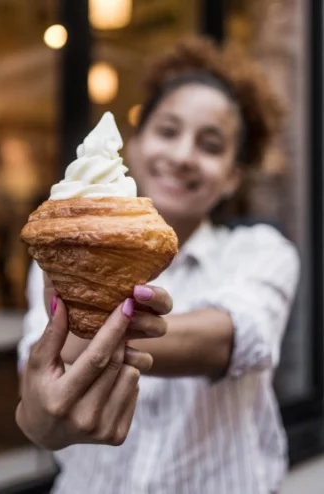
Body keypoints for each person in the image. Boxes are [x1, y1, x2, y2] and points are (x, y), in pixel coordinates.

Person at [16, 36, 300, 494]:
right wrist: (40, 421)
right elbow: (38, 393)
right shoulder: (63, 254)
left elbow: (230, 340)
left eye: (210, 145)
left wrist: (89, 337)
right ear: (136, 142)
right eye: (168, 131)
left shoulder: (263, 251)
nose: (183, 155)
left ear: (232, 177)